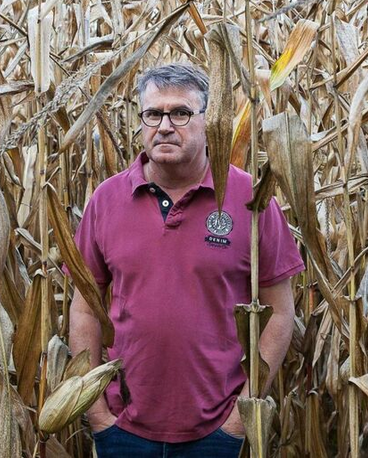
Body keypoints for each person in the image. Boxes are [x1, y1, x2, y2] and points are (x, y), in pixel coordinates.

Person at [67, 63, 305, 457]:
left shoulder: (251, 199)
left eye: (180, 113)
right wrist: (96, 415)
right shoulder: (107, 200)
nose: (164, 126)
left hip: (216, 431)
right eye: (152, 114)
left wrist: (240, 418)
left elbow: (280, 312)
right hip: (123, 429)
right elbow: (84, 311)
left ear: (208, 122)